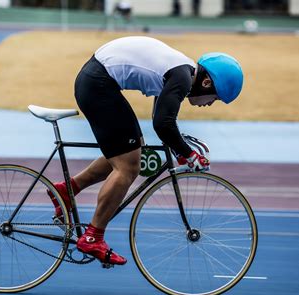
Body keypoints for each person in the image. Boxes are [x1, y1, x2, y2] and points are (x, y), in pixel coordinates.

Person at [48, 36, 243, 266]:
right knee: (128, 167)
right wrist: (189, 154)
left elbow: (161, 119)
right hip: (98, 84)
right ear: (207, 83)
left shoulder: (182, 72)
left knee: (131, 151)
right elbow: (163, 124)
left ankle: (68, 190)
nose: (210, 104)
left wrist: (181, 149)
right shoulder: (182, 76)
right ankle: (93, 237)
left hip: (97, 80)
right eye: (216, 98)